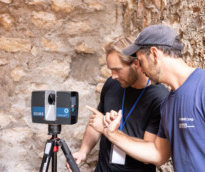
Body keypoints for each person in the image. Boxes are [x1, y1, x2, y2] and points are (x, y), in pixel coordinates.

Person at [95, 25, 205, 172]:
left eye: (141, 62)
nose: (140, 69)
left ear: (154, 54)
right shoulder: (168, 103)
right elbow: (157, 154)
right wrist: (113, 134)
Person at [67, 35, 169, 172]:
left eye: (117, 69)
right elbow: (96, 122)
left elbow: (149, 152)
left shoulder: (159, 98)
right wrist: (83, 151)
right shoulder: (112, 83)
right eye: (111, 70)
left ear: (136, 64)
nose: (113, 75)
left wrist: (107, 130)